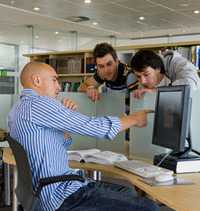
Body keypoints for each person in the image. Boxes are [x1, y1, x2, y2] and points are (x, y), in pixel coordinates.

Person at [8, 62, 159, 211]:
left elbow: (64, 142)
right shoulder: (39, 104)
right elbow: (97, 128)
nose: (59, 87)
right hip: (60, 195)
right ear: (37, 80)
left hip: (50, 189)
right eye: (54, 80)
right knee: (149, 207)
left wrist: (66, 118)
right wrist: (134, 119)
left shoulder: (18, 108)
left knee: (127, 192)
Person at [130, 49, 200, 99]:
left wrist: (156, 91)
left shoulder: (178, 63)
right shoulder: (144, 81)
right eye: (138, 76)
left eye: (146, 75)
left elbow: (190, 84)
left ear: (158, 69)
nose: (142, 81)